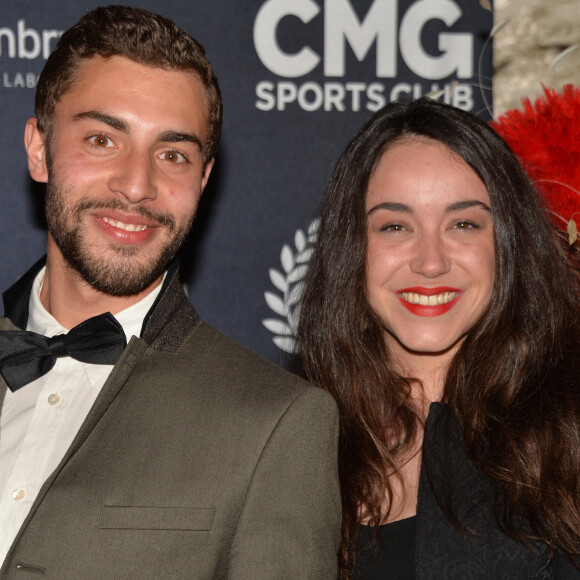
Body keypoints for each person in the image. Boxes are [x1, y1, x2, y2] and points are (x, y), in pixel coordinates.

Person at [0, 6, 341, 578]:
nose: (137, 185)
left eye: (173, 154)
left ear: (203, 180)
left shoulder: (275, 424)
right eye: (103, 139)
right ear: (39, 149)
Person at [298, 97, 580, 579]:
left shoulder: (568, 432)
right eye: (395, 226)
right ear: (353, 250)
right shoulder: (295, 443)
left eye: (464, 224)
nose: (431, 262)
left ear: (508, 244)